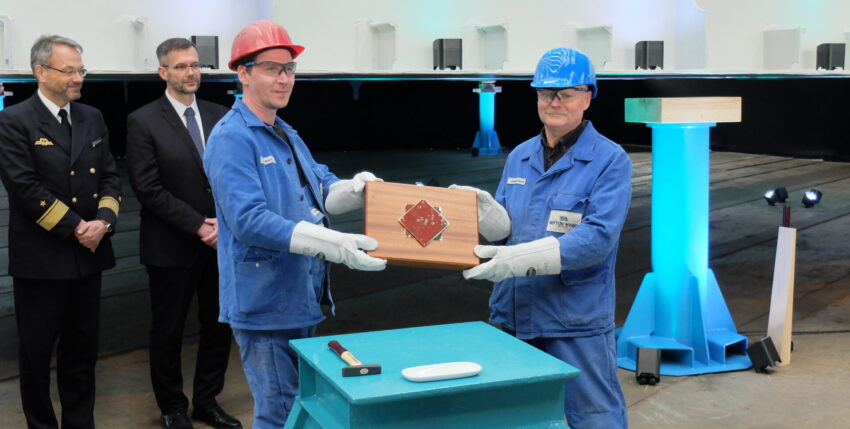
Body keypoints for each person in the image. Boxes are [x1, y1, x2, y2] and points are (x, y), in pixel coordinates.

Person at [203, 21, 387, 428]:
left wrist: (355, 189)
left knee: (302, 408)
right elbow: (248, 220)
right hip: (265, 304)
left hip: (301, 295)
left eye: (289, 69)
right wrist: (332, 244)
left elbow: (321, 184)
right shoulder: (232, 138)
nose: (284, 79)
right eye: (272, 68)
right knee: (280, 412)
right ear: (244, 73)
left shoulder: (284, 131)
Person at [457, 47, 631, 428]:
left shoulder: (609, 160)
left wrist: (517, 261)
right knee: (517, 418)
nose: (554, 102)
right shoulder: (519, 156)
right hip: (512, 315)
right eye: (545, 93)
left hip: (574, 321)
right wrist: (486, 222)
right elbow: (505, 229)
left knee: (593, 417)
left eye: (566, 94)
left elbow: (597, 238)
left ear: (587, 97)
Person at [0, 35, 121, 429]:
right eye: (68, 71)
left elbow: (109, 176)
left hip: (89, 254)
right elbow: (23, 188)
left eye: (80, 70)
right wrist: (76, 228)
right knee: (37, 356)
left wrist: (103, 222)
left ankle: (80, 423)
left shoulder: (92, 116)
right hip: (42, 258)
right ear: (40, 71)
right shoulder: (14, 120)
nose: (77, 78)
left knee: (82, 352)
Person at [125, 38, 240, 429]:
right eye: (181, 67)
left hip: (220, 243)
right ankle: (172, 407)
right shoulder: (143, 121)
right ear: (163, 72)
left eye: (195, 65)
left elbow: (232, 178)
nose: (191, 73)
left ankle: (207, 401)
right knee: (168, 331)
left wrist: (223, 224)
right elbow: (148, 188)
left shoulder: (221, 114)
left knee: (219, 325)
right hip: (171, 247)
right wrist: (197, 224)